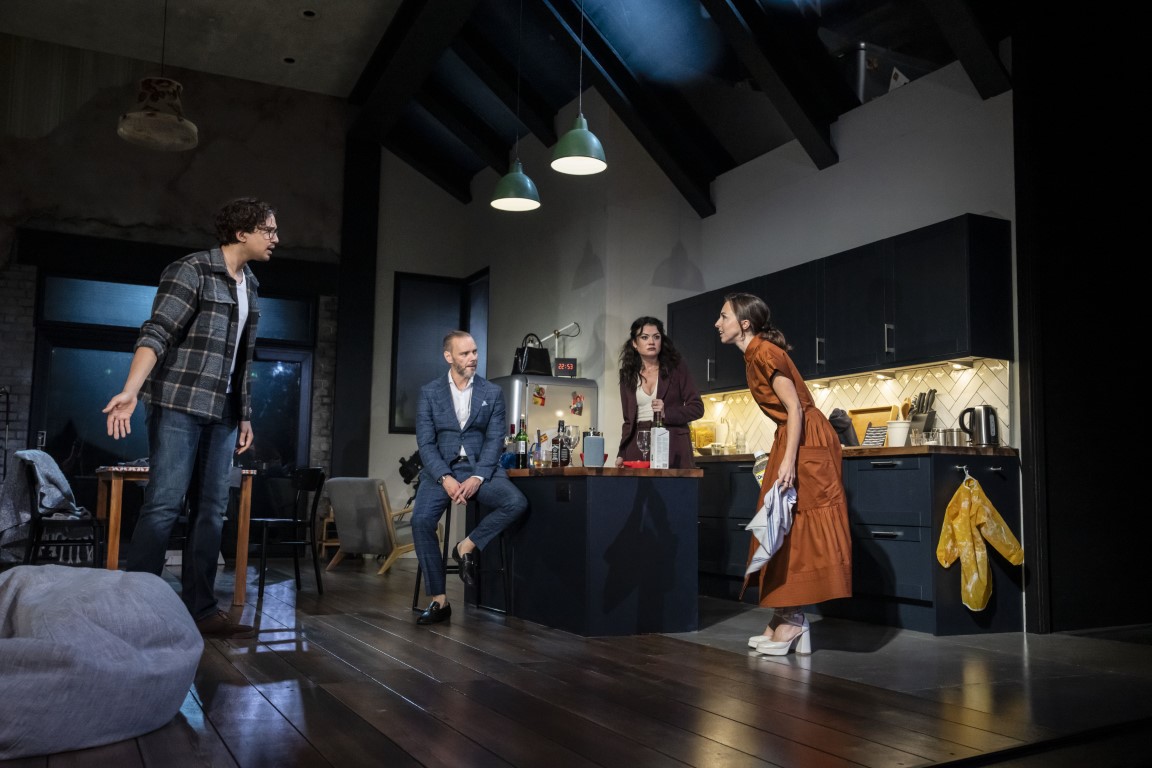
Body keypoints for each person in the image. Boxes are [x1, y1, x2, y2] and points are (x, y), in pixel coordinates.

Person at [102, 197, 277, 639]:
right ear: (242, 233)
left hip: (222, 411)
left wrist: (245, 414)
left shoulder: (250, 285)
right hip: (179, 402)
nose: (276, 238)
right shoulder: (192, 270)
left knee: (212, 510)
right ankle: (136, 608)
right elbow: (157, 331)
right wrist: (131, 389)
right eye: (269, 230)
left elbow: (242, 358)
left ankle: (200, 609)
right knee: (164, 505)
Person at [715, 293, 851, 656]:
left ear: (744, 323)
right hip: (792, 437)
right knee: (780, 524)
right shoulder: (754, 354)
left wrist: (788, 462)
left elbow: (795, 407)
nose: (718, 322)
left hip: (805, 439)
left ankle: (794, 619)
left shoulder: (764, 353)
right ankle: (783, 614)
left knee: (797, 527)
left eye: (724, 316)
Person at [411, 330, 528, 625]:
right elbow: (425, 443)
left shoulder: (492, 392)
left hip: (480, 468)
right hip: (441, 471)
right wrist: (445, 478)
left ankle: (467, 545)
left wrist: (478, 476)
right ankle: (439, 600)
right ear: (448, 357)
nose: (473, 358)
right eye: (465, 353)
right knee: (421, 520)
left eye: (475, 352)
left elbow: (494, 439)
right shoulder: (429, 392)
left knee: (516, 502)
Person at [614, 316, 704, 468]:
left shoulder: (677, 368)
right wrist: (622, 453)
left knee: (674, 491)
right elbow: (628, 421)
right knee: (642, 491)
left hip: (673, 444)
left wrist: (666, 413)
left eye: (656, 337)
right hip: (638, 443)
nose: (651, 342)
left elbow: (697, 408)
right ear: (635, 343)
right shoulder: (627, 374)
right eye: (644, 337)